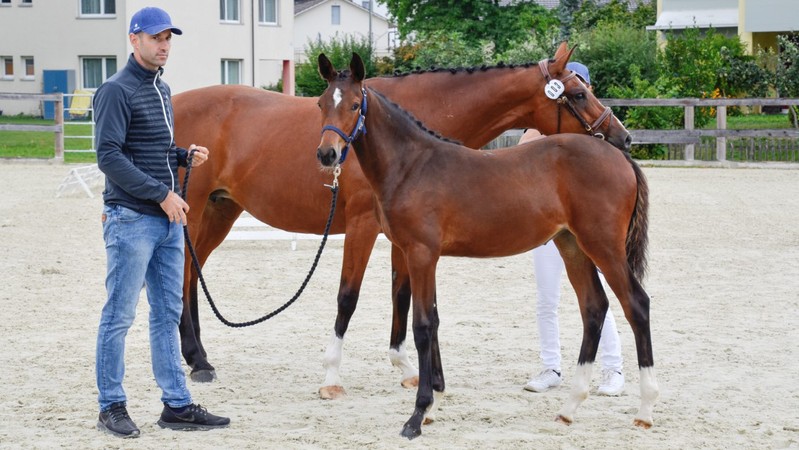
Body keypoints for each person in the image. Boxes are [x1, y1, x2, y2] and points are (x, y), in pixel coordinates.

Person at [94, 6, 229, 438]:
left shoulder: (162, 88)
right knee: (119, 315)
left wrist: (183, 156)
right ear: (134, 40)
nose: (164, 45)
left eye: (168, 38)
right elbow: (109, 156)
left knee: (167, 313)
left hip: (168, 221)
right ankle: (111, 406)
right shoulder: (115, 90)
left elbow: (151, 150)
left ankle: (176, 405)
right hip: (131, 219)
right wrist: (162, 194)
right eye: (156, 38)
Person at [521, 62, 625, 396]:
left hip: (583, 224)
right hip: (545, 226)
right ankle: (551, 367)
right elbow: (521, 153)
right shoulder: (542, 128)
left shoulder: (596, 133)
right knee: (546, 299)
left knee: (595, 296)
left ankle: (614, 369)